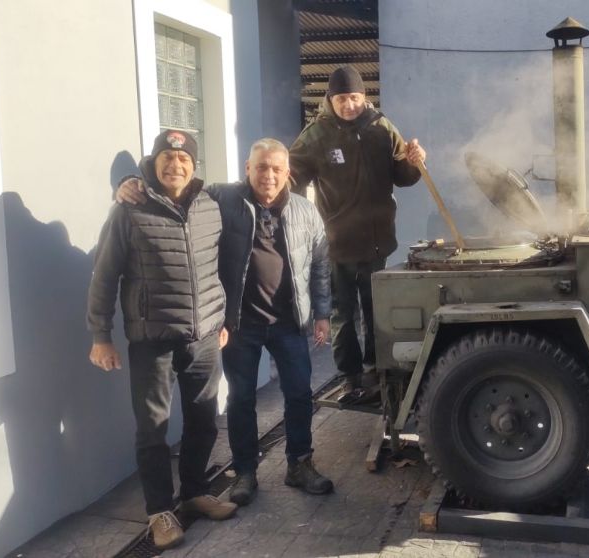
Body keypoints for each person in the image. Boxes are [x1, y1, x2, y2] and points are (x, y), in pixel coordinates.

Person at [116, 138, 334, 507]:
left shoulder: (305, 211)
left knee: (299, 394)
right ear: (247, 168)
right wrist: (130, 179)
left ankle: (300, 463)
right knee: (242, 399)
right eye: (261, 167)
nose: (268, 175)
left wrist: (324, 313)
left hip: (289, 322)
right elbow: (176, 185)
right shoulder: (222, 198)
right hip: (238, 323)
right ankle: (245, 470)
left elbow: (320, 265)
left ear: (288, 173)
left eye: (276, 168)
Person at [87, 130, 237, 550]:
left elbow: (218, 267)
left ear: (194, 164)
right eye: (166, 158)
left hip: (205, 336)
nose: (175, 165)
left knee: (204, 419)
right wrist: (101, 335)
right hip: (152, 340)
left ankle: (193, 493)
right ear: (151, 164)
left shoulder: (210, 205)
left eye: (183, 158)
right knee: (152, 429)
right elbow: (104, 276)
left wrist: (221, 317)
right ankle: (160, 513)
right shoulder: (129, 211)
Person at [289, 65, 426, 402]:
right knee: (343, 315)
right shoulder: (316, 135)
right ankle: (351, 375)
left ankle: (379, 369)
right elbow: (291, 178)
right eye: (341, 99)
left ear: (364, 97)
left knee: (377, 310)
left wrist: (414, 161)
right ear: (330, 100)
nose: (348, 104)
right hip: (337, 244)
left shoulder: (381, 127)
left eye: (354, 97)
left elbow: (403, 175)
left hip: (377, 240)